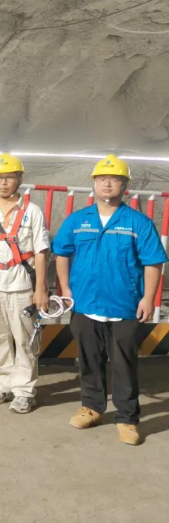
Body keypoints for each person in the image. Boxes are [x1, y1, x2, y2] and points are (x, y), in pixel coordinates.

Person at [53, 154, 167, 445]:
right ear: (94, 184)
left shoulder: (138, 222)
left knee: (123, 364)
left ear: (124, 186)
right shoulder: (78, 220)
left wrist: (148, 298)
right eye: (102, 179)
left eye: (114, 179)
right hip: (85, 304)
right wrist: (65, 289)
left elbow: (153, 262)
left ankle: (127, 417)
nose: (107, 184)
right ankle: (92, 407)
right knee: (88, 360)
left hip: (124, 305)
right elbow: (62, 253)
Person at [0, 154, 50, 414]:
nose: (3, 183)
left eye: (9, 177)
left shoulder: (32, 211)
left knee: (24, 340)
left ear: (19, 179)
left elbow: (41, 251)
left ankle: (24, 391)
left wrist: (40, 289)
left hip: (21, 285)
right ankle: (4, 383)